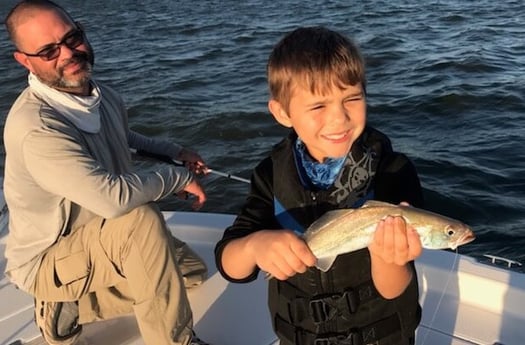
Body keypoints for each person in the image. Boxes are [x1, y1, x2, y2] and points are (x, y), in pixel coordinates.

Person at [3, 1, 210, 344]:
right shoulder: (36, 127)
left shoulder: (102, 95)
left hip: (99, 238)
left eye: (72, 37)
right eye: (48, 50)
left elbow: (123, 137)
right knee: (140, 221)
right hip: (49, 261)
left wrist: (175, 154)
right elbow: (113, 199)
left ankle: (72, 306)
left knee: (190, 274)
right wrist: (176, 178)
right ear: (25, 61)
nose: (67, 53)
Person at [215, 26, 425, 345]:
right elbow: (231, 266)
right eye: (318, 106)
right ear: (282, 113)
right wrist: (254, 245)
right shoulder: (269, 173)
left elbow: (394, 288)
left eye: (352, 99)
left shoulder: (392, 171)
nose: (339, 118)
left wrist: (388, 257)